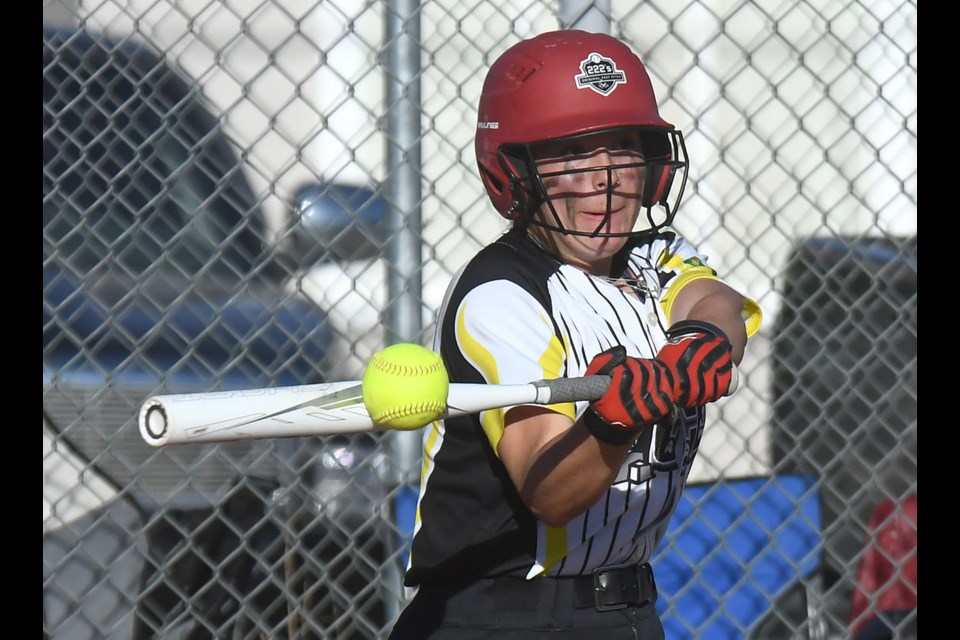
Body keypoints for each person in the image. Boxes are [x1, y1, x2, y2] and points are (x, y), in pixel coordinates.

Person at [388, 29, 763, 639]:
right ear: (517, 174)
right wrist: (616, 421)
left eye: (622, 147)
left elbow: (714, 300)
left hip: (625, 612)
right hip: (492, 617)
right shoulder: (501, 293)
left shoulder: (655, 256)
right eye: (571, 154)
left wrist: (700, 340)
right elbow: (551, 490)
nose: (604, 177)